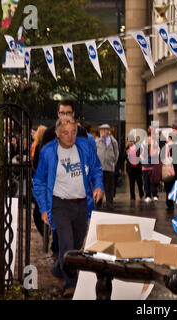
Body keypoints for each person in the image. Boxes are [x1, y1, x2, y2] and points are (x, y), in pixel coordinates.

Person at [33, 116, 104, 297]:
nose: (70, 136)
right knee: (67, 242)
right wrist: (43, 208)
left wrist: (98, 185)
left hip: (81, 204)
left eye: (73, 132)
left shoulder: (85, 146)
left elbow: (96, 168)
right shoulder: (48, 152)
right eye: (65, 133)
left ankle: (59, 267)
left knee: (77, 244)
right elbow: (39, 181)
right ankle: (70, 284)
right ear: (57, 133)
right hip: (59, 204)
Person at [33, 100, 89, 256]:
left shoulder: (82, 133)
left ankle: (65, 257)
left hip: (77, 189)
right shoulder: (49, 134)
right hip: (57, 189)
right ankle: (60, 256)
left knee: (77, 232)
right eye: (62, 113)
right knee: (62, 229)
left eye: (68, 113)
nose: (65, 116)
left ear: (73, 114)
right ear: (58, 114)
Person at [96, 124, 119, 211]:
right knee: (99, 187)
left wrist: (113, 163)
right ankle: (98, 204)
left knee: (109, 188)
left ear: (108, 131)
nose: (101, 131)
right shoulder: (97, 142)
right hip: (99, 169)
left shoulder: (113, 142)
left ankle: (110, 204)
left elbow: (116, 154)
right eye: (100, 130)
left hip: (109, 168)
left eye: (103, 130)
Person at [162, 132, 177, 211]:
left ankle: (168, 201)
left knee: (168, 185)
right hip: (176, 170)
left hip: (167, 170)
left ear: (170, 138)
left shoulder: (165, 147)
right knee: (173, 185)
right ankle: (171, 201)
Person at [141, 132, 160, 202]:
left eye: (150, 139)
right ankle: (147, 195)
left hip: (152, 167)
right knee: (146, 182)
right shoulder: (143, 145)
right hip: (145, 167)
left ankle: (154, 194)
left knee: (153, 182)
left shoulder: (155, 145)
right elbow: (141, 155)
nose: (149, 140)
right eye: (148, 139)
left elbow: (156, 154)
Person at [125, 135, 144, 200]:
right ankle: (132, 197)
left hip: (137, 168)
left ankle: (141, 193)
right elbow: (123, 157)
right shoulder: (126, 148)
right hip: (130, 169)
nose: (129, 142)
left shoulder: (138, 148)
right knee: (131, 183)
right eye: (128, 141)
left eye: (131, 141)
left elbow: (141, 156)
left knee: (139, 182)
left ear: (133, 141)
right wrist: (126, 154)